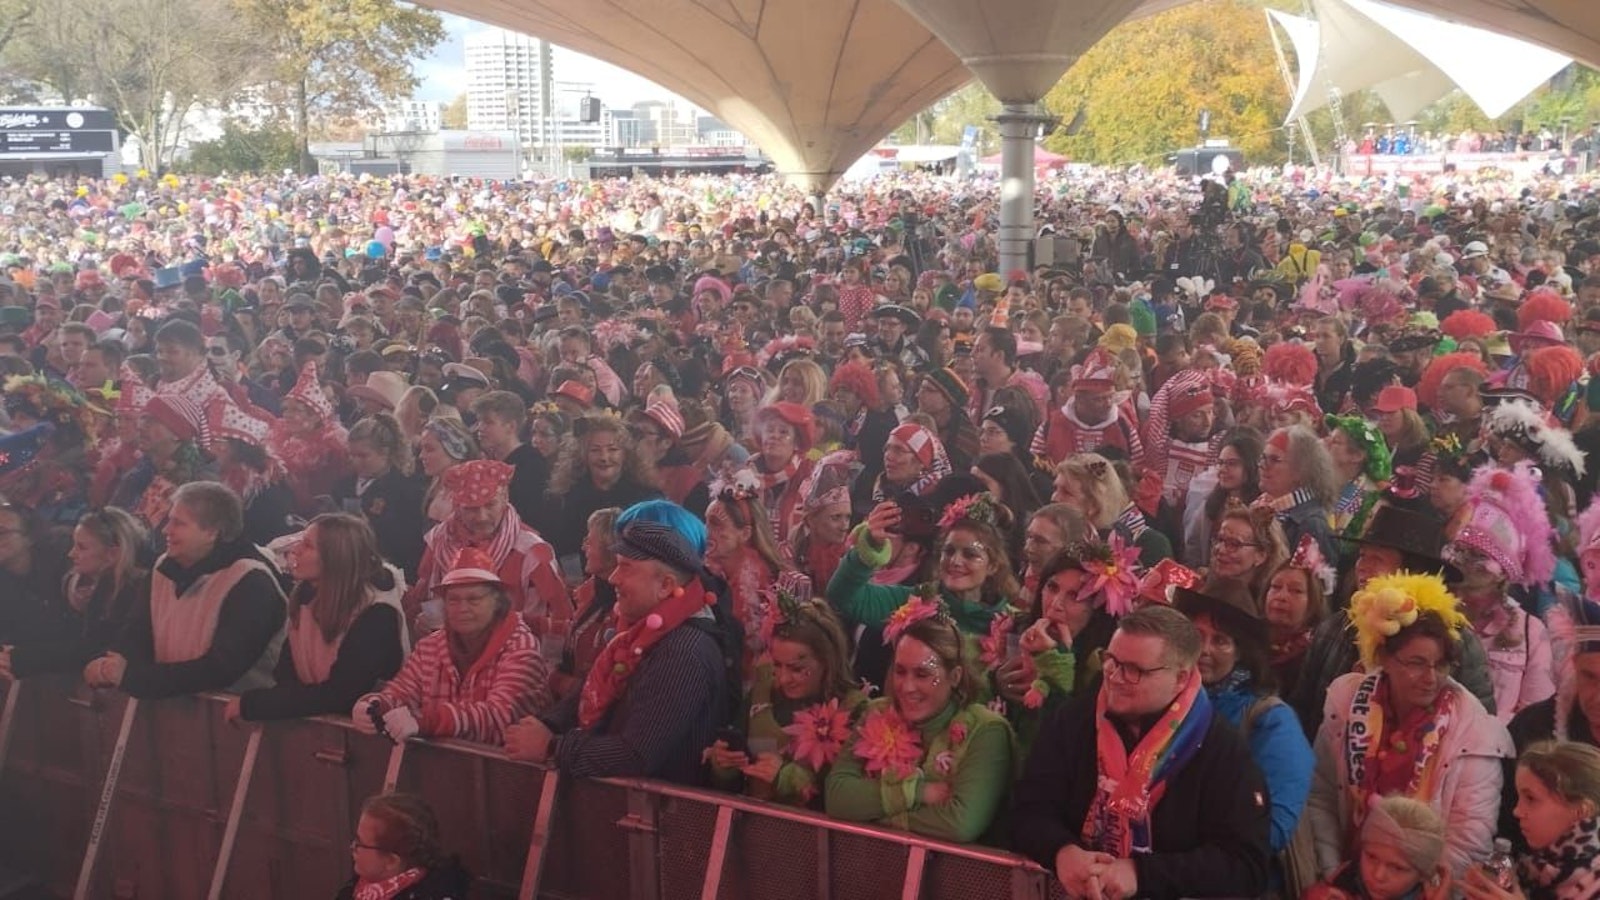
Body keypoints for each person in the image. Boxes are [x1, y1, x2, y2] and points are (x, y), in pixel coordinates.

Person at [1012, 605, 1273, 900]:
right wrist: (1061, 850)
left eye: (1135, 670)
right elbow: (1028, 808)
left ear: (1180, 678)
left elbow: (1245, 866)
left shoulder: (1221, 749)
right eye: (1111, 661)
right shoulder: (1074, 720)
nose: (1115, 677)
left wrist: (1139, 873)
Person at [1307, 572, 1514, 878]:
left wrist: (1403, 885)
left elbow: (1467, 842)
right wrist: (1333, 873)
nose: (1431, 678)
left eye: (1441, 664)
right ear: (1384, 658)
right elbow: (1321, 796)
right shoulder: (1346, 703)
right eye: (1416, 663)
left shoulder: (1474, 733)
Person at [502, 510, 730, 784]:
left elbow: (636, 756)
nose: (613, 579)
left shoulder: (684, 652)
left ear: (665, 585)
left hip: (662, 819)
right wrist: (548, 725)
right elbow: (590, 688)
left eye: (626, 568)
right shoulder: (640, 630)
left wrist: (552, 747)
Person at [825, 593, 1014, 842]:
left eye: (923, 674)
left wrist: (872, 815)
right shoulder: (876, 712)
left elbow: (959, 824)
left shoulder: (986, 730)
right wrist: (915, 793)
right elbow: (837, 798)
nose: (907, 687)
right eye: (900, 672)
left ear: (955, 676)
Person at [84, 482, 289, 698]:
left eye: (178, 523)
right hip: (175, 714)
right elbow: (136, 632)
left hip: (241, 723)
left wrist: (135, 678)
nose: (166, 530)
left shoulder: (252, 581)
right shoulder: (164, 568)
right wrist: (111, 663)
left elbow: (222, 667)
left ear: (212, 532)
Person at [353, 546, 551, 746]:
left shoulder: (521, 647)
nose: (462, 608)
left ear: (497, 601)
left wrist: (426, 722)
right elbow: (402, 692)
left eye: (474, 599)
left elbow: (498, 717)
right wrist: (376, 706)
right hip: (445, 768)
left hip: (509, 773)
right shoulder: (430, 646)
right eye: (453, 600)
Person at [1175, 578, 1315, 854]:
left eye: (1220, 640)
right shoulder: (1163, 700)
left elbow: (1271, 830)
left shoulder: (1272, 721)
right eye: (1196, 635)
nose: (1204, 650)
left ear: (1240, 652)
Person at [232, 515, 406, 722]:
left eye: (307, 545)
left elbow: (343, 694)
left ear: (335, 557)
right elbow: (286, 674)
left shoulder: (376, 614)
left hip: (371, 737)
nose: (295, 550)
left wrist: (254, 704)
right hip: (317, 731)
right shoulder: (304, 599)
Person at [708, 586, 867, 807]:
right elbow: (729, 787)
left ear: (827, 661)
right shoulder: (762, 692)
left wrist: (786, 778)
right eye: (777, 665)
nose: (783, 679)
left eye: (796, 668)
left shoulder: (855, 710)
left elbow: (849, 801)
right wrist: (723, 767)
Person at [406, 460, 570, 648]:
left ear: (505, 498)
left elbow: (561, 619)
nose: (482, 517)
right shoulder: (438, 541)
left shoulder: (532, 551)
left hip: (514, 657)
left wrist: (548, 670)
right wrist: (420, 623)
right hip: (448, 654)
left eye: (490, 505)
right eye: (471, 508)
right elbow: (422, 600)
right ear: (457, 506)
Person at [1446, 462, 1557, 724]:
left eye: (1480, 556)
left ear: (1505, 571)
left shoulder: (1530, 632)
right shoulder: (1428, 610)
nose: (1466, 562)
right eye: (1460, 551)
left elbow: (1535, 716)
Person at [828, 491, 1018, 638]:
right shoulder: (912, 602)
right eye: (949, 551)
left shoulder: (1012, 624)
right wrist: (870, 547)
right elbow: (842, 596)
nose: (956, 561)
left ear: (993, 565)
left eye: (970, 554)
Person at [0, 508, 148, 680]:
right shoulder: (88, 588)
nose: (71, 554)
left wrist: (22, 658)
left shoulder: (136, 591)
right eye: (73, 545)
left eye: (81, 547)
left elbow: (92, 649)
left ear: (112, 554)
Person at [1462, 741, 1600, 900]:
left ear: (1581, 811)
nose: (1517, 811)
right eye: (1519, 797)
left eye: (1531, 799)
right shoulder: (1532, 866)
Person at [540, 412, 662, 562]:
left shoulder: (647, 499)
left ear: (626, 454)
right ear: (583, 455)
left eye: (613, 450)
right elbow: (557, 548)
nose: (604, 457)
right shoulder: (563, 497)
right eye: (595, 450)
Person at [333, 414, 429, 582]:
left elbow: (409, 545)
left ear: (385, 453)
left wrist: (368, 528)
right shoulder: (343, 485)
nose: (355, 462)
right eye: (352, 455)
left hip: (385, 575)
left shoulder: (405, 491)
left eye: (363, 456)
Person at [1302, 796, 1450, 900]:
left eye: (1397, 868)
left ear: (1423, 874)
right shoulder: (1346, 878)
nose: (1378, 875)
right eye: (1371, 857)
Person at [335, 792, 471, 900]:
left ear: (391, 861)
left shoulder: (431, 894)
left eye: (360, 844)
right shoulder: (359, 886)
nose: (352, 847)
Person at [1053, 452, 1172, 567]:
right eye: (1055, 488)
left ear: (1094, 505)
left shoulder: (1150, 544)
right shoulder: (1051, 535)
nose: (1054, 498)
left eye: (1066, 492)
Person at [551, 507, 620, 700]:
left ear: (609, 549)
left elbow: (599, 688)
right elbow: (576, 630)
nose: (583, 547)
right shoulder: (592, 590)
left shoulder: (623, 607)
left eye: (589, 541)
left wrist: (552, 678)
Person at [1257, 425, 1341, 569]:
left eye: (1274, 460)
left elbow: (1312, 588)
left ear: (1301, 471)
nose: (1263, 466)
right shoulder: (1261, 507)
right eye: (1263, 458)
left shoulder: (1312, 526)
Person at [1268, 537, 1334, 703]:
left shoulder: (1316, 656)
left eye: (1295, 591)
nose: (1281, 596)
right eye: (1275, 587)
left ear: (1313, 601)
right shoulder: (1248, 636)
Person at [1207, 501, 1289, 607]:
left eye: (1234, 544)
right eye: (1220, 539)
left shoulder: (1269, 608)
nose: (1220, 549)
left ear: (1261, 556)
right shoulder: (1201, 585)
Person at [417, 417, 479, 524]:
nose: (421, 456)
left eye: (429, 449)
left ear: (454, 452)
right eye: (422, 449)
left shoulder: (470, 496)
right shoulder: (433, 490)